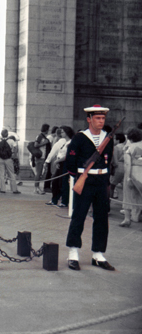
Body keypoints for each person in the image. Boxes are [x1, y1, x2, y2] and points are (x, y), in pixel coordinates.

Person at [65, 105, 114, 271]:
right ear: (89, 119)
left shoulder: (108, 138)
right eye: (97, 118)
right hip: (85, 181)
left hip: (101, 181)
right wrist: (79, 177)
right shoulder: (80, 138)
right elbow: (70, 161)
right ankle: (73, 252)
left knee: (101, 218)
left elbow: (110, 159)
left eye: (103, 119)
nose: (101, 121)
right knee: (79, 216)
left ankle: (98, 254)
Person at [47, 126, 74, 207]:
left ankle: (64, 201)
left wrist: (57, 161)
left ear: (67, 132)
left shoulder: (71, 142)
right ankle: (54, 199)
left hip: (66, 163)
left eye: (62, 132)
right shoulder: (64, 142)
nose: (61, 133)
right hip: (60, 163)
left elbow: (68, 155)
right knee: (55, 182)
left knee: (64, 183)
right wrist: (58, 161)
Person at [121, 127, 142, 227]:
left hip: (132, 172)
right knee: (140, 196)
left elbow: (127, 164)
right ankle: (137, 216)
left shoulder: (129, 147)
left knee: (128, 195)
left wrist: (128, 177)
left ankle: (127, 219)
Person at [0, 129, 21, 194]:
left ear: (1, 134)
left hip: (1, 159)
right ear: (7, 134)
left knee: (2, 174)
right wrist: (14, 154)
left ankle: (3, 189)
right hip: (9, 159)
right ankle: (14, 189)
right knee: (11, 174)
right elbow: (15, 147)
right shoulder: (11, 141)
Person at [33, 124, 51, 195]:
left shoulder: (42, 136)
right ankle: (36, 188)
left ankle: (37, 187)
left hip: (42, 156)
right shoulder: (40, 136)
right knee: (38, 173)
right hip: (40, 157)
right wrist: (44, 143)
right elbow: (36, 145)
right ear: (46, 129)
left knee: (39, 173)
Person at [109, 133, 126, 200]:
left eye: (114, 139)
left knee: (111, 186)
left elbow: (115, 161)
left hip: (118, 167)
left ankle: (109, 201)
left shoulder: (116, 148)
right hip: (125, 166)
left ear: (118, 140)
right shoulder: (126, 147)